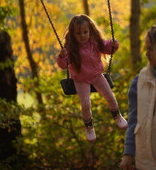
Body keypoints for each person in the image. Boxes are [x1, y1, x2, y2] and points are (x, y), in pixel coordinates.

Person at [57, 14, 128, 142]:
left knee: (110, 96)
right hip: (80, 79)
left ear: (90, 31)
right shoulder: (70, 49)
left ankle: (117, 115)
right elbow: (63, 65)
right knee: (85, 104)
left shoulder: (95, 42)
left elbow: (108, 49)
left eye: (85, 32)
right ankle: (89, 127)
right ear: (73, 34)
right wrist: (62, 56)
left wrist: (113, 45)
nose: (83, 35)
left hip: (96, 75)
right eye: (79, 33)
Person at [120, 25, 156, 170]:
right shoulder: (138, 81)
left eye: (150, 48)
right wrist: (128, 155)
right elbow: (133, 120)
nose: (146, 53)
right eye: (145, 48)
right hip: (145, 163)